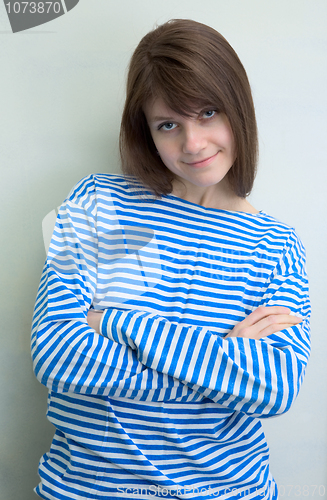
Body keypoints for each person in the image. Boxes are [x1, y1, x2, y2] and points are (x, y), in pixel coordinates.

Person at [31, 19, 311, 500]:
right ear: (147, 132)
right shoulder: (98, 206)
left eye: (208, 113)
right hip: (87, 489)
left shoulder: (276, 244)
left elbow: (273, 387)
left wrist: (122, 325)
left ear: (237, 109)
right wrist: (220, 375)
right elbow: (57, 354)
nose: (193, 144)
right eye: (168, 125)